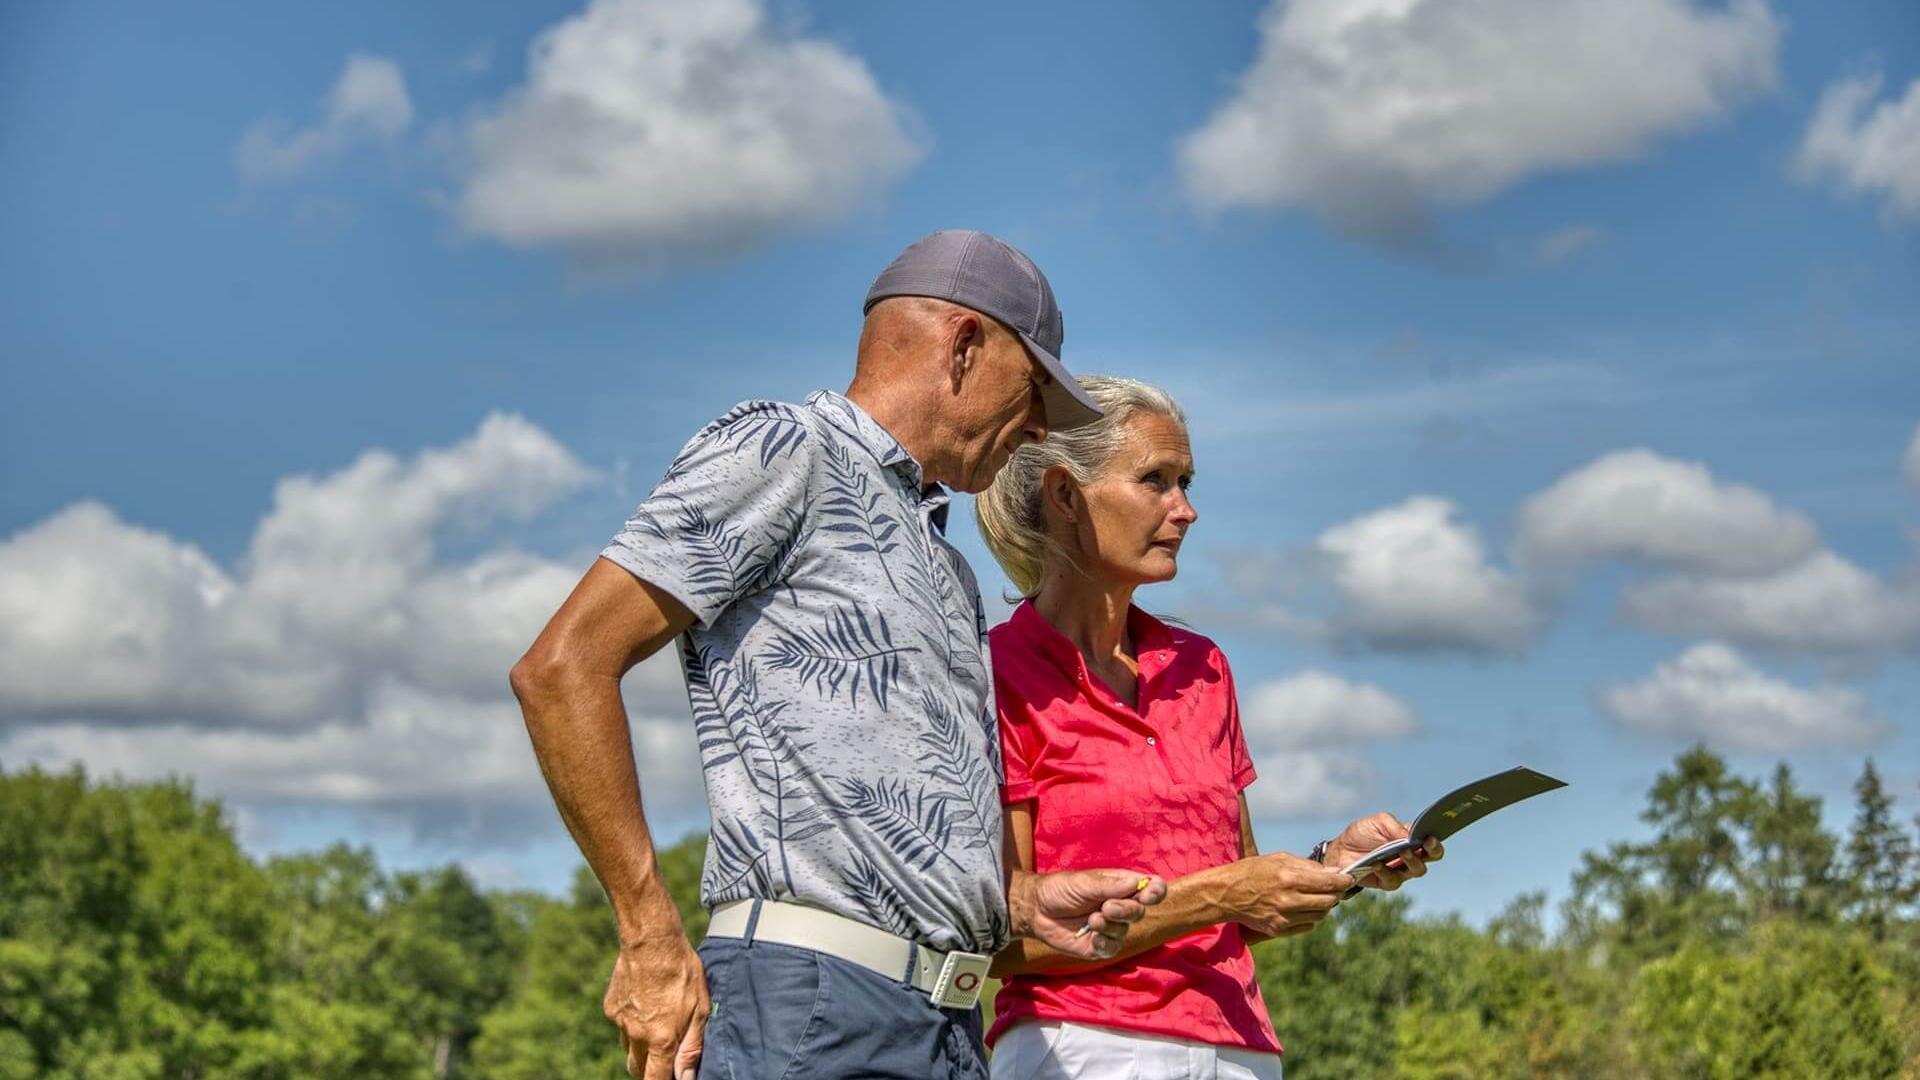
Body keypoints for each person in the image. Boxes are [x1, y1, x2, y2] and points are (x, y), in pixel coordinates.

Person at [510, 231, 1171, 1080]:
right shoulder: (787, 448)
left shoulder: (948, 566)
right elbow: (563, 666)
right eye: (1035, 387)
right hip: (808, 1009)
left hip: (945, 1027)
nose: (1040, 425)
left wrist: (1022, 903)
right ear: (965, 346)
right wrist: (647, 935)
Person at [973, 376, 1446, 1080]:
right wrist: (1224, 894)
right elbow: (1001, 942)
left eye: (1185, 481)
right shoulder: (992, 673)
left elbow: (1244, 901)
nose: (1185, 510)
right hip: (1079, 1046)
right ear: (1067, 496)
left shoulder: (1204, 669)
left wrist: (1335, 865)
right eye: (1156, 481)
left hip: (1242, 1047)